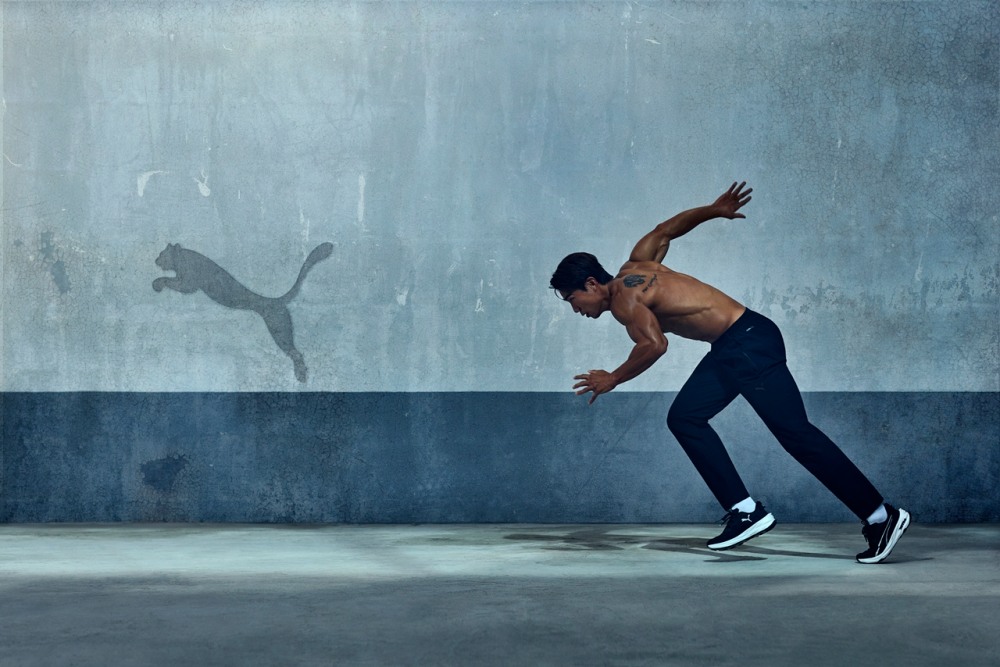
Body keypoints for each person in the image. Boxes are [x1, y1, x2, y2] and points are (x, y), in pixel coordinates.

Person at [549, 182, 909, 563]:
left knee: (796, 435)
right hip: (734, 345)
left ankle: (880, 516)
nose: (576, 309)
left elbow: (654, 345)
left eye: (573, 299)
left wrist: (613, 378)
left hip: (746, 344)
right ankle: (745, 510)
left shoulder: (625, 301)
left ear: (591, 284)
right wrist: (713, 210)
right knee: (685, 417)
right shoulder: (636, 265)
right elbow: (665, 230)